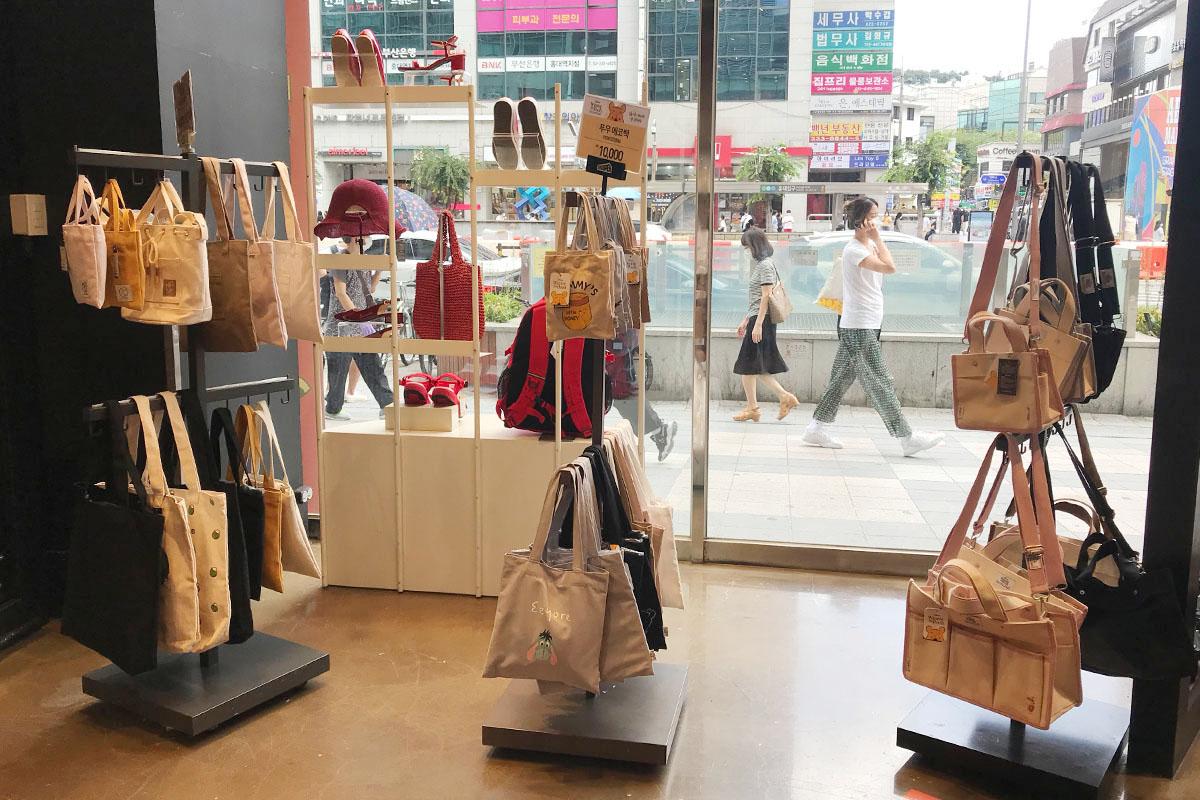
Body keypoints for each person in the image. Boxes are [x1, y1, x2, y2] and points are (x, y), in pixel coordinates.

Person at [802, 197, 943, 457]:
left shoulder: (866, 245)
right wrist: (878, 239)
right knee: (880, 381)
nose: (877, 221)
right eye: (873, 216)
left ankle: (816, 428)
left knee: (840, 380)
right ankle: (906, 437)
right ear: (861, 220)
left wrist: (876, 240)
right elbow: (890, 267)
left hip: (865, 322)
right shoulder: (856, 249)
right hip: (858, 325)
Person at [732, 227, 799, 422]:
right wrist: (746, 320)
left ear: (755, 246)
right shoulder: (763, 264)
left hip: (762, 321)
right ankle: (757, 407)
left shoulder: (765, 266)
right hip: (757, 319)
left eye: (747, 247)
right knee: (753, 366)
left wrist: (757, 324)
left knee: (748, 367)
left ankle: (780, 398)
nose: (746, 252)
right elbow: (758, 299)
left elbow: (766, 296)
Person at [323, 266, 395, 421]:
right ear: (354, 241)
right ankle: (332, 409)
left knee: (373, 366)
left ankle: (388, 404)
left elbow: (371, 288)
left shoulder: (362, 262)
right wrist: (360, 318)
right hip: (340, 328)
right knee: (338, 372)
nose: (366, 240)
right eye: (363, 239)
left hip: (359, 329)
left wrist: (379, 271)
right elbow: (341, 293)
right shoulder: (341, 263)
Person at [608, 331, 677, 462]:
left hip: (619, 373)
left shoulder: (624, 319)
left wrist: (605, 340)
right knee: (626, 403)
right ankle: (660, 431)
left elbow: (621, 345)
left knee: (627, 401)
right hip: (617, 372)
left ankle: (660, 430)